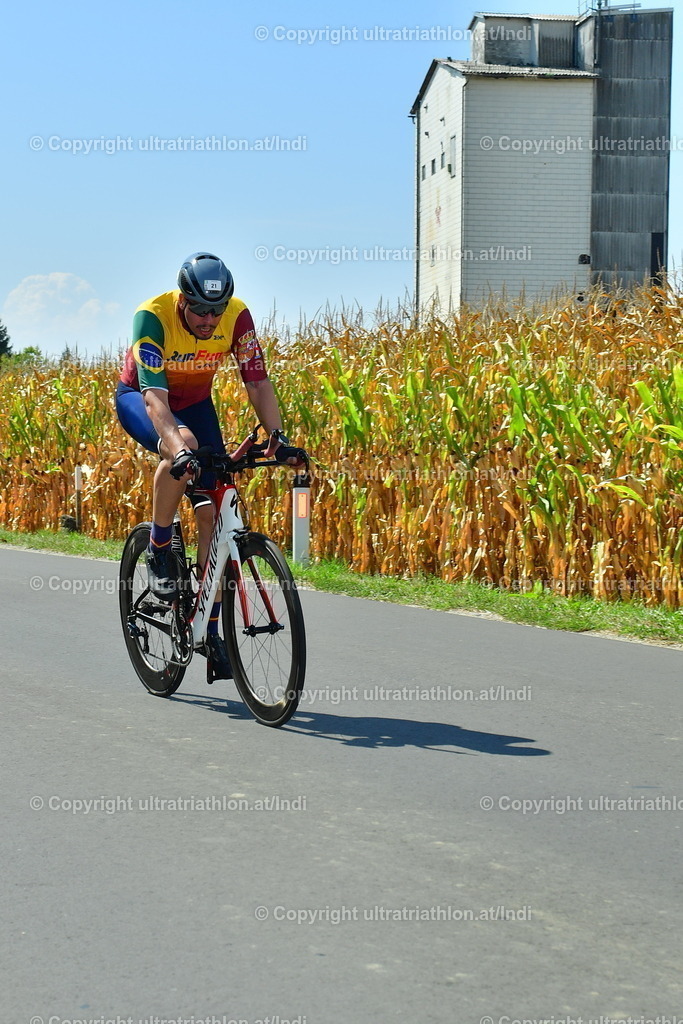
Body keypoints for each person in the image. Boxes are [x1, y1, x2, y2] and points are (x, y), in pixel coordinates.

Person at [116, 251, 297, 680]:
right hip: (143, 399)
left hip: (196, 404)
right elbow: (154, 399)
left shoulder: (238, 317)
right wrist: (179, 449)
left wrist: (278, 438)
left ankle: (208, 630)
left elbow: (257, 381)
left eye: (216, 310)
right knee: (185, 449)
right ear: (182, 299)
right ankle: (159, 547)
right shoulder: (153, 316)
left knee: (213, 514)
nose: (209, 319)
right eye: (199, 309)